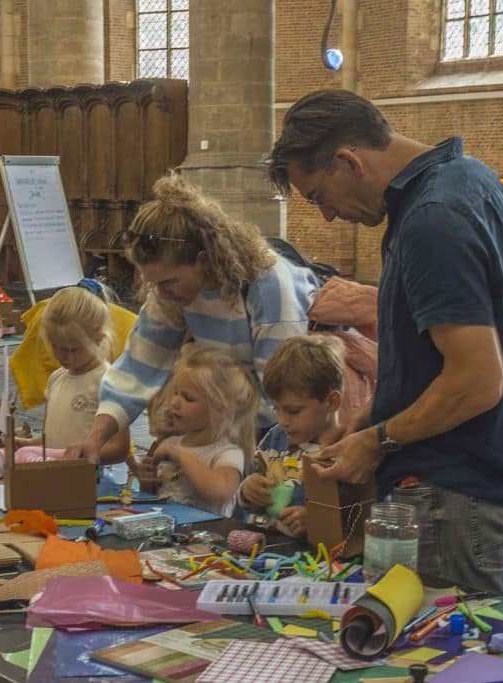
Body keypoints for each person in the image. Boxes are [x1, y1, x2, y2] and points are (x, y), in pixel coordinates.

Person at [267, 89, 503, 594]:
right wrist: (368, 418)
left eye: (317, 197)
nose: (328, 215)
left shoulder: (432, 219)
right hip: (483, 467)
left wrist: (377, 441)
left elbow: (477, 380)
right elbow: (432, 358)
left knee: (436, 653)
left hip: (456, 485)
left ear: (346, 160)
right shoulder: (469, 177)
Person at [66, 173, 321, 465]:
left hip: (292, 431)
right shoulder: (170, 293)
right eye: (153, 284)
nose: (161, 293)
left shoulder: (270, 286)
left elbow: (281, 398)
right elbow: (136, 369)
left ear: (204, 260)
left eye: (169, 282)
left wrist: (197, 440)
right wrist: (96, 438)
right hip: (231, 425)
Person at [0, 281, 132, 478]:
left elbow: (120, 449)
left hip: (86, 482)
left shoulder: (108, 381)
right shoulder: (56, 378)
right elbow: (52, 440)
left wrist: (83, 456)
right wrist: (27, 444)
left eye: (72, 349)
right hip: (51, 476)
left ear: (98, 338)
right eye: (55, 347)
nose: (63, 357)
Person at [238, 335, 347, 538]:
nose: (282, 420)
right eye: (276, 409)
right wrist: (248, 491)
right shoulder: (276, 439)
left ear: (331, 402)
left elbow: (359, 518)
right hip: (271, 548)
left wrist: (315, 521)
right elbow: (253, 496)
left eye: (293, 411)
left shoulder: (347, 451)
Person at [136, 347, 258, 517]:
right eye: (176, 393)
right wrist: (147, 483)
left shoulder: (227, 453)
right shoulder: (170, 443)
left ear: (219, 409)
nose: (175, 402)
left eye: (188, 398)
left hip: (206, 538)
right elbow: (156, 498)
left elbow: (221, 492)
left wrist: (179, 456)